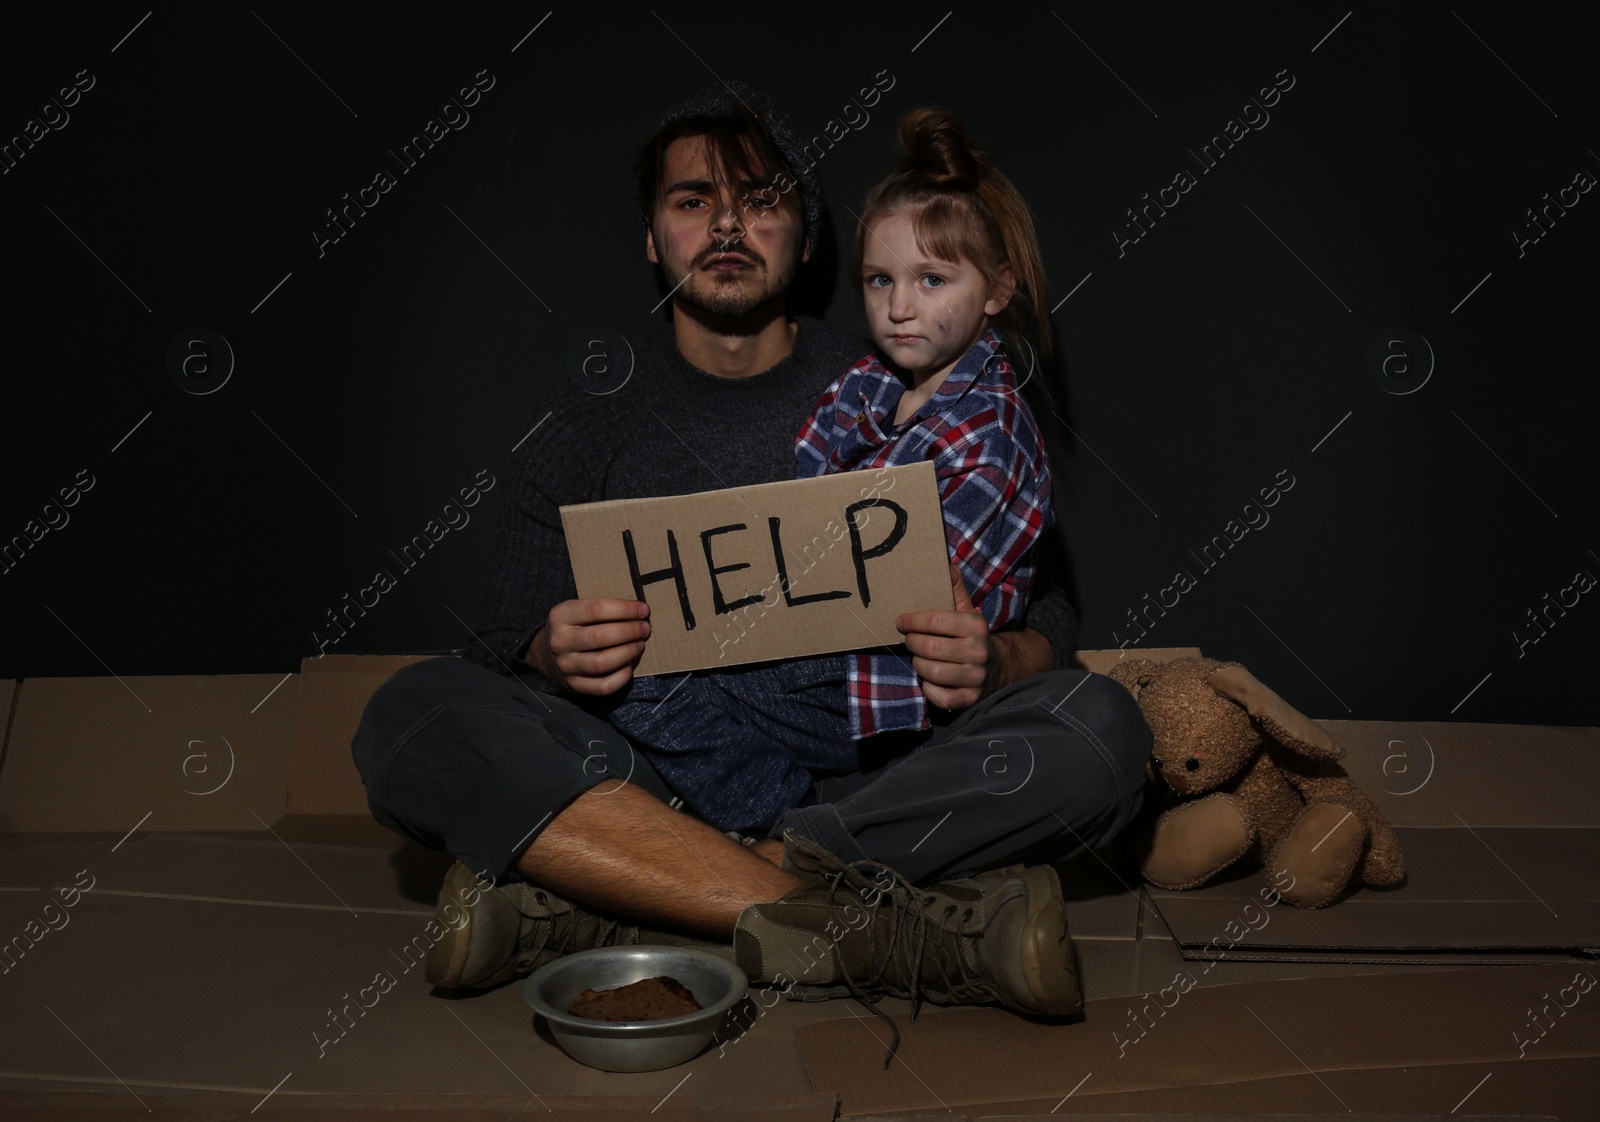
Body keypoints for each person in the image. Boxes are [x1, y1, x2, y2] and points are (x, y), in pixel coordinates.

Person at [350, 79, 1150, 1032]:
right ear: (654, 240)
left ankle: (631, 898)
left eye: (761, 200)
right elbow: (495, 646)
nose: (728, 224)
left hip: (870, 776)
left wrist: (998, 659)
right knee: (409, 716)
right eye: (694, 201)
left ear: (808, 240)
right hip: (655, 776)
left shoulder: (893, 380)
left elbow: (1048, 606)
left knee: (1102, 728)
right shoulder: (583, 423)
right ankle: (878, 927)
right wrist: (548, 652)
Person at [608, 106, 1063, 845]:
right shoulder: (869, 383)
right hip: (814, 659)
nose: (900, 307)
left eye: (932, 279)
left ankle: (786, 832)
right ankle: (808, 817)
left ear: (996, 290)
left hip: (887, 685)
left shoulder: (989, 428)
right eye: (881, 281)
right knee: (630, 676)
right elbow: (808, 485)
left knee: (649, 681)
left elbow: (883, 587)